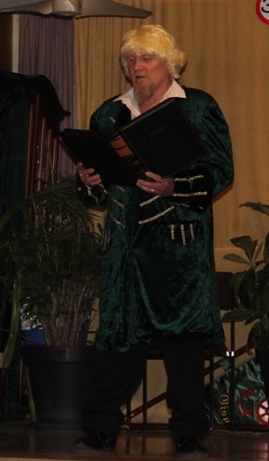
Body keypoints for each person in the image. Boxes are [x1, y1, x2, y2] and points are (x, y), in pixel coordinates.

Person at [75, 25, 234, 456]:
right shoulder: (109, 114)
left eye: (147, 58)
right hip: (123, 248)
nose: (138, 66)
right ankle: (101, 428)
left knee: (183, 345)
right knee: (118, 339)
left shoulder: (197, 107)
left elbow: (221, 170)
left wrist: (173, 186)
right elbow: (98, 192)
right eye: (131, 60)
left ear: (170, 63)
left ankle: (188, 432)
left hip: (178, 246)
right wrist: (88, 181)